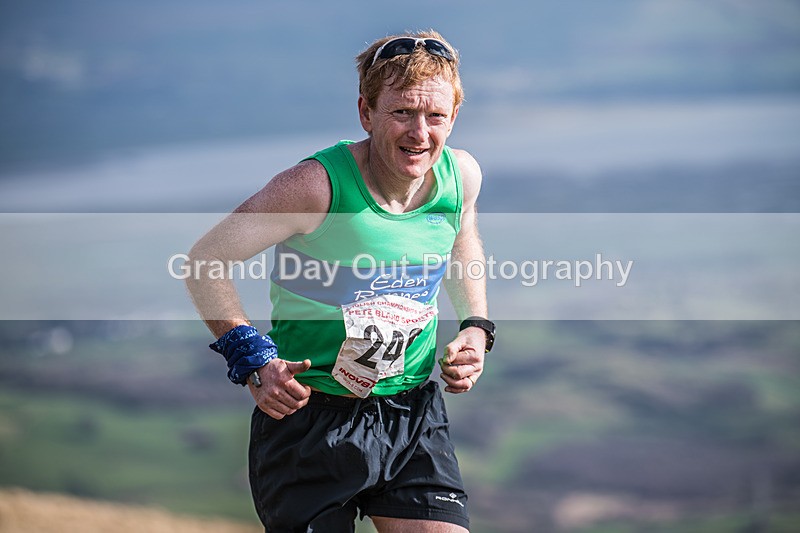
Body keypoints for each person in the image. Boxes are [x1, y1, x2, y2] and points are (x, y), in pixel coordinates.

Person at [185, 29, 495, 532]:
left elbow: (461, 238)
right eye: (402, 113)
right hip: (309, 419)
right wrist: (250, 356)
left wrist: (477, 326)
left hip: (409, 410)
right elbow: (205, 261)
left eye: (435, 116)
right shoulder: (314, 187)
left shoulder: (461, 175)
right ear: (366, 113)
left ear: (453, 117)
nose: (420, 133)